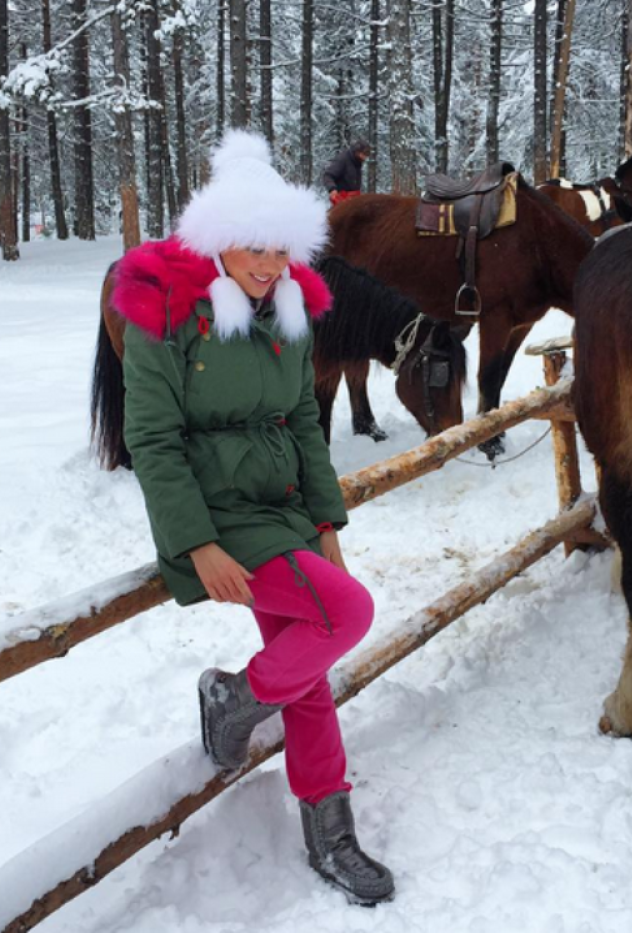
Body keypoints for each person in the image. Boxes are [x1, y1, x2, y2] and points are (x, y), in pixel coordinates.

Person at [113, 129, 395, 906]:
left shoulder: (288, 306)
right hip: (218, 515)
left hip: (283, 511)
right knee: (347, 613)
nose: (271, 265)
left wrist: (327, 520)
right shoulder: (166, 311)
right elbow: (152, 438)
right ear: (216, 240)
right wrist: (195, 543)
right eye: (253, 248)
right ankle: (236, 698)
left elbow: (304, 419)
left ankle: (328, 829)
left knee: (305, 677)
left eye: (282, 248)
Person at [321, 139, 371, 207]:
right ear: (357, 151)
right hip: (341, 201)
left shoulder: (357, 162)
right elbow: (328, 175)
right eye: (364, 154)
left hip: (353, 201)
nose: (365, 157)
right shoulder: (343, 159)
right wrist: (332, 189)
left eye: (367, 155)